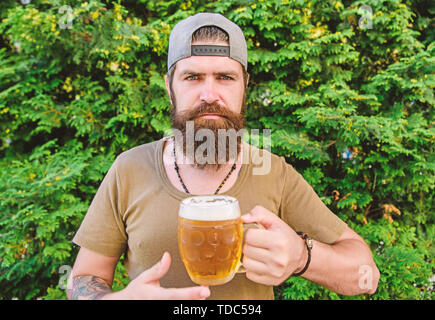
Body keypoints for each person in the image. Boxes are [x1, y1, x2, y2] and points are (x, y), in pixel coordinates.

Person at [67, 12, 379, 300]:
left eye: (225, 78)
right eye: (192, 77)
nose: (209, 94)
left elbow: (366, 275)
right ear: (169, 87)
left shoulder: (273, 172)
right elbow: (83, 277)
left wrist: (302, 256)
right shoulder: (129, 169)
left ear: (245, 85)